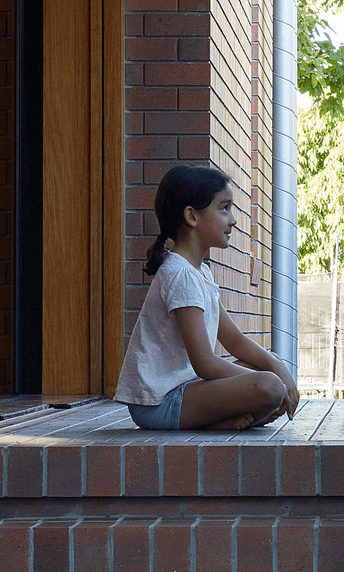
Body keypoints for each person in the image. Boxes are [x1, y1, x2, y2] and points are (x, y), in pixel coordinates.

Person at [114, 164, 300, 432]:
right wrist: (276, 384)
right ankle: (220, 421)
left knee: (262, 369)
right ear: (192, 216)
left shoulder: (200, 272)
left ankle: (224, 421)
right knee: (268, 386)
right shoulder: (180, 275)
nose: (233, 220)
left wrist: (276, 365)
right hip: (159, 403)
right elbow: (205, 363)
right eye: (224, 208)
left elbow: (235, 342)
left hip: (186, 390)